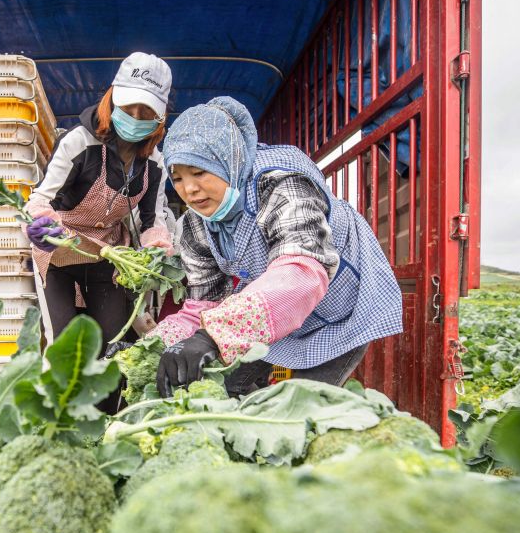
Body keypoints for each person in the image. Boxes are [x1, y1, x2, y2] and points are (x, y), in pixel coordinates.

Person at [148, 96, 403, 397]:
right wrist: (151, 346)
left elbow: (301, 274)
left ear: (228, 159)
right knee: (223, 386)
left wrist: (212, 336)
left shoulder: (281, 185)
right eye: (177, 178)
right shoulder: (195, 226)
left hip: (336, 314)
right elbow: (202, 307)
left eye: (200, 172)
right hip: (266, 313)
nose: (189, 189)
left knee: (298, 407)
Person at [24, 53, 174, 347]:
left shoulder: (155, 163)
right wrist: (42, 224)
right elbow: (42, 199)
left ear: (160, 117)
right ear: (112, 98)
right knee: (66, 345)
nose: (134, 117)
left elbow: (152, 220)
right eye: (128, 106)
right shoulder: (79, 143)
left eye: (146, 112)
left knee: (111, 342)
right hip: (61, 250)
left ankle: (110, 394)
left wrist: (156, 244)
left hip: (109, 254)